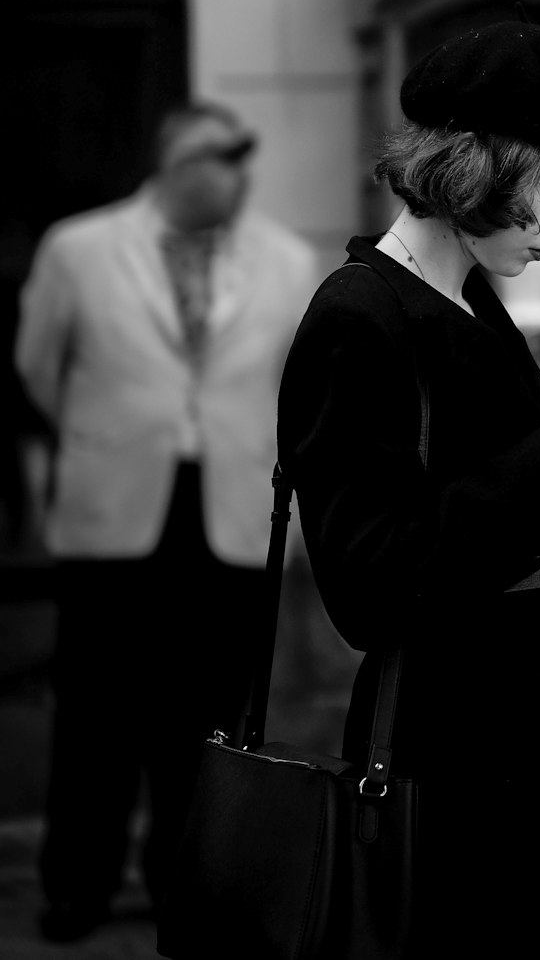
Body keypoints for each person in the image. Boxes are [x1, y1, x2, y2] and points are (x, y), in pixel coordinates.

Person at [277, 19, 540, 960]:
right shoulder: (361, 315)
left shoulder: (469, 295)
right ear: (479, 170)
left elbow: (518, 513)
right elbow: (368, 584)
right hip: (473, 766)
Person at [15, 101, 317, 942]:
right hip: (115, 513)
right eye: (221, 160)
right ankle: (76, 884)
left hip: (230, 517)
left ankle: (190, 886)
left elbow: (301, 387)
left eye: (241, 162)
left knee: (211, 717)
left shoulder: (287, 262)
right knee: (96, 715)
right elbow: (39, 367)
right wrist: (111, 432)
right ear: (177, 163)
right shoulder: (79, 248)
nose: (238, 178)